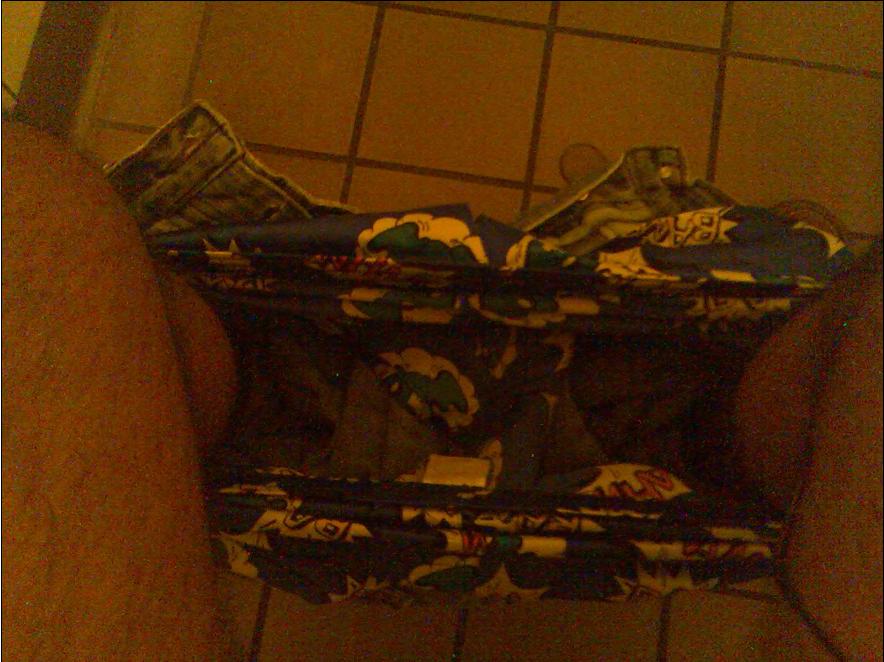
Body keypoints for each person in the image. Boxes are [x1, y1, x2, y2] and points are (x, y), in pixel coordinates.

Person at [2, 121, 880, 660]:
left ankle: (231, 373)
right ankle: (719, 407)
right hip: (732, 435)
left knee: (33, 226)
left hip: (223, 396)